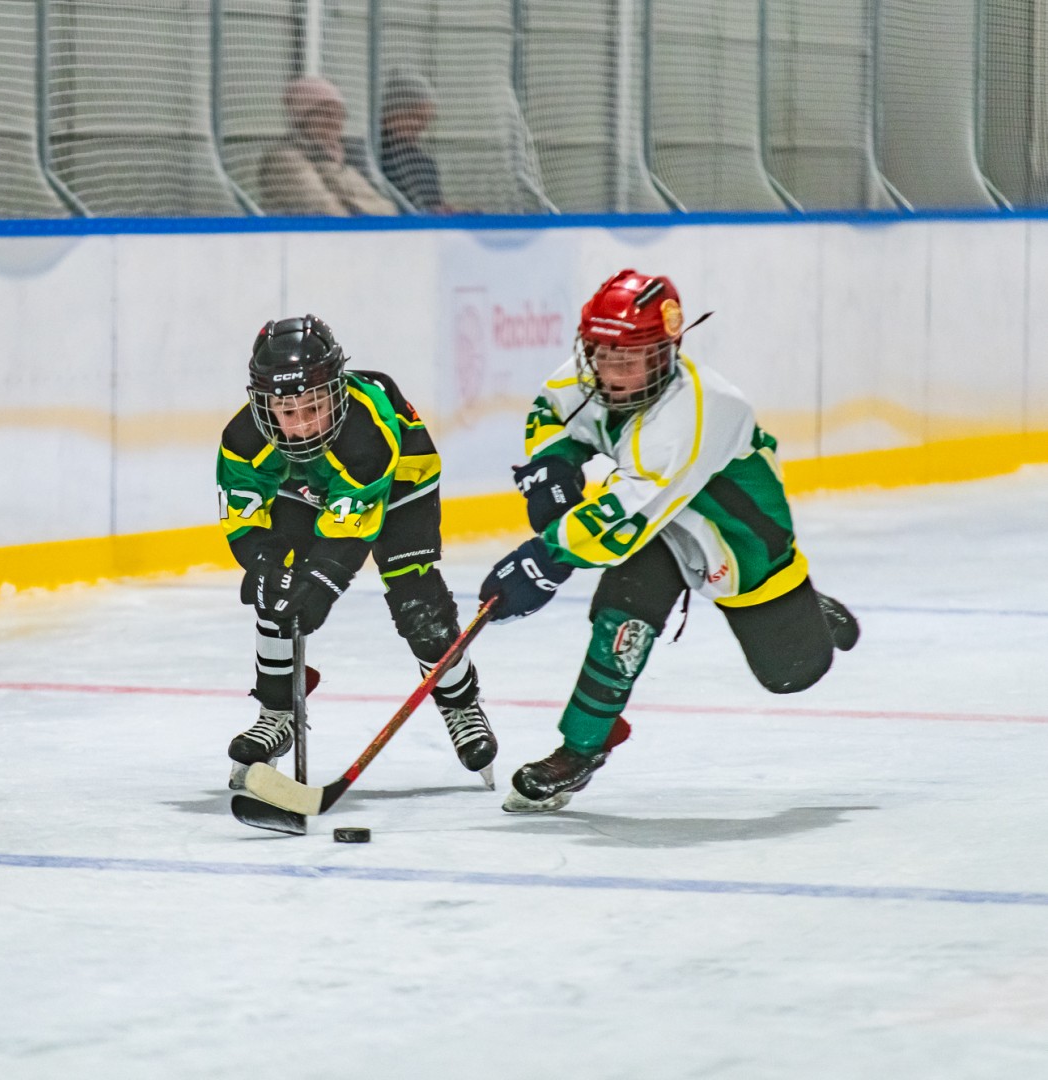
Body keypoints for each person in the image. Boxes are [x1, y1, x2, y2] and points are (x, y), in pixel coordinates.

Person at [477, 269, 860, 812]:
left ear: (665, 352)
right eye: (601, 354)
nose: (611, 371)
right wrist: (552, 465)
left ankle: (808, 611)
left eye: (628, 359)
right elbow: (551, 409)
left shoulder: (696, 412)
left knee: (793, 675)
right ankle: (583, 745)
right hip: (657, 527)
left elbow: (618, 520)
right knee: (621, 615)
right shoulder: (592, 373)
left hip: (738, 543)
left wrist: (542, 561)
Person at [219, 315, 494, 784]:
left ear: (336, 393)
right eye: (288, 413)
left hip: (403, 483)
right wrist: (264, 563)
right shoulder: (244, 440)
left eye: (314, 408)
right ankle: (277, 710)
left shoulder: (368, 432)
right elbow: (246, 519)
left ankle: (461, 703)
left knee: (418, 603)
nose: (303, 426)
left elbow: (349, 532)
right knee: (275, 588)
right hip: (307, 489)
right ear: (264, 407)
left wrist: (320, 587)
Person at [257, 76, 397, 217]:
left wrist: (352, 207)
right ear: (302, 118)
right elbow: (325, 211)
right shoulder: (285, 159)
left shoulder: (341, 160)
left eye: (339, 114)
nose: (334, 121)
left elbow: (388, 209)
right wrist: (358, 211)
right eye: (325, 113)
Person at [379, 68, 447, 213]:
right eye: (415, 117)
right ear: (390, 112)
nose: (421, 126)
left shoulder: (425, 164)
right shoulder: (376, 158)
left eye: (426, 119)